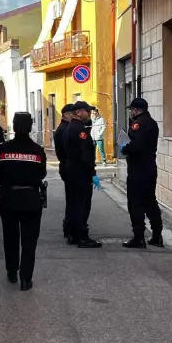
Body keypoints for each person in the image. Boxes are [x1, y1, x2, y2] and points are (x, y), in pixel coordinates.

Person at [0, 112, 48, 291]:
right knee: (29, 241)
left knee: (10, 238)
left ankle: (11, 272)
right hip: (31, 199)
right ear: (31, 126)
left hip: (9, 198)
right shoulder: (38, 150)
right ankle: (26, 278)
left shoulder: (3, 149)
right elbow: (42, 174)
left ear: (14, 126)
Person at [120, 96, 163, 248]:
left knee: (136, 203)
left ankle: (138, 237)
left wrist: (124, 148)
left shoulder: (138, 124)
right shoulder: (152, 123)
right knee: (150, 201)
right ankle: (157, 235)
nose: (131, 112)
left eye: (132, 109)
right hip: (150, 167)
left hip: (138, 169)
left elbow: (136, 146)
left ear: (136, 110)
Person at [63, 100, 103, 249]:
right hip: (80, 173)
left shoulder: (70, 127)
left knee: (74, 204)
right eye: (87, 111)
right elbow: (85, 154)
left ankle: (74, 234)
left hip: (73, 171)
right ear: (79, 112)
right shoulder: (79, 130)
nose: (89, 114)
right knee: (82, 205)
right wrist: (92, 171)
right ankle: (82, 237)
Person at [54, 104, 75, 242]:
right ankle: (69, 228)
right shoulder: (64, 129)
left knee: (72, 199)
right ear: (66, 115)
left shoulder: (64, 128)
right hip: (68, 167)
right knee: (73, 200)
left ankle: (69, 227)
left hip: (66, 166)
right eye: (73, 113)